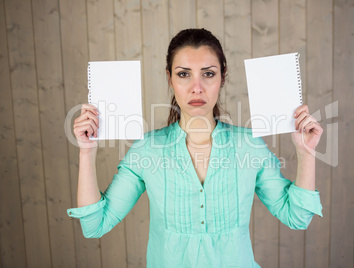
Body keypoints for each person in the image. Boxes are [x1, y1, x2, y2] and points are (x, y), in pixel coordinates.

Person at [68, 28, 323, 267]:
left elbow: (297, 217)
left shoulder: (249, 147)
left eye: (208, 73)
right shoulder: (147, 150)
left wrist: (306, 152)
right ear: (170, 78)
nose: (196, 87)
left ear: (223, 77)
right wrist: (87, 152)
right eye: (183, 74)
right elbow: (95, 225)